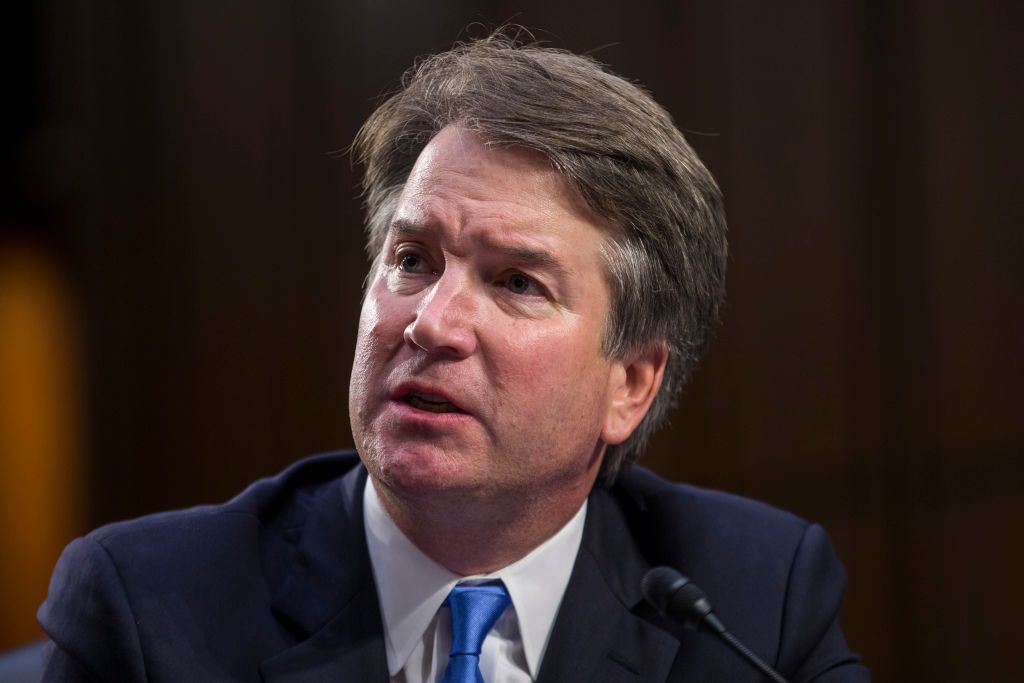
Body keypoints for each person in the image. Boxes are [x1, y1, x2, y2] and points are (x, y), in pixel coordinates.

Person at [38, 29, 870, 682]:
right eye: (413, 260)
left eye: (516, 281)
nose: (432, 323)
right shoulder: (148, 609)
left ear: (631, 383)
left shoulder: (752, 604)